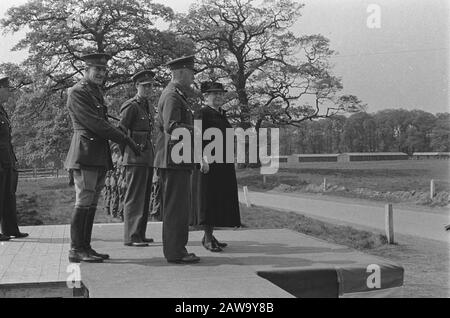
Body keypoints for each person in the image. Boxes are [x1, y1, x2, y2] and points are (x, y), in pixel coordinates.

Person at [64, 53, 141, 263]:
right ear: (85, 70)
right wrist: (125, 139)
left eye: (103, 70)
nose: (101, 73)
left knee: (90, 202)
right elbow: (96, 124)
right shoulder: (78, 92)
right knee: (84, 200)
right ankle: (75, 249)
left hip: (95, 152)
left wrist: (123, 137)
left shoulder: (93, 91)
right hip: (85, 152)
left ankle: (85, 247)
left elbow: (101, 122)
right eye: (97, 69)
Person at [153, 55, 200, 264]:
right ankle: (175, 252)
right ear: (179, 73)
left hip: (176, 158)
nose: (192, 77)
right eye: (190, 73)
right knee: (175, 208)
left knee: (179, 207)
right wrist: (198, 131)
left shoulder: (175, 94)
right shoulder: (172, 96)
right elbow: (171, 126)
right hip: (173, 160)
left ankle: (178, 249)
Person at [190, 81, 241, 252]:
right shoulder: (201, 113)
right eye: (214, 94)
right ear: (205, 96)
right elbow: (196, 138)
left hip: (222, 164)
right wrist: (201, 159)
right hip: (208, 164)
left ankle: (209, 236)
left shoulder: (221, 114)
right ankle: (208, 238)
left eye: (220, 93)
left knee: (220, 199)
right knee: (208, 201)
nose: (219, 96)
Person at [120, 70, 156, 247]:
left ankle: (140, 233)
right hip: (134, 158)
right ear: (137, 86)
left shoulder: (147, 105)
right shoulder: (131, 106)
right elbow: (121, 132)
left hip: (147, 157)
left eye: (150, 86)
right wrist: (126, 154)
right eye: (145, 86)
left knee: (144, 197)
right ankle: (131, 236)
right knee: (134, 197)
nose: (148, 89)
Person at [0, 76, 28, 241]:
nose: (9, 94)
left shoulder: (2, 110)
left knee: (9, 195)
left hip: (7, 159)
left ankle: (11, 229)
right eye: (6, 90)